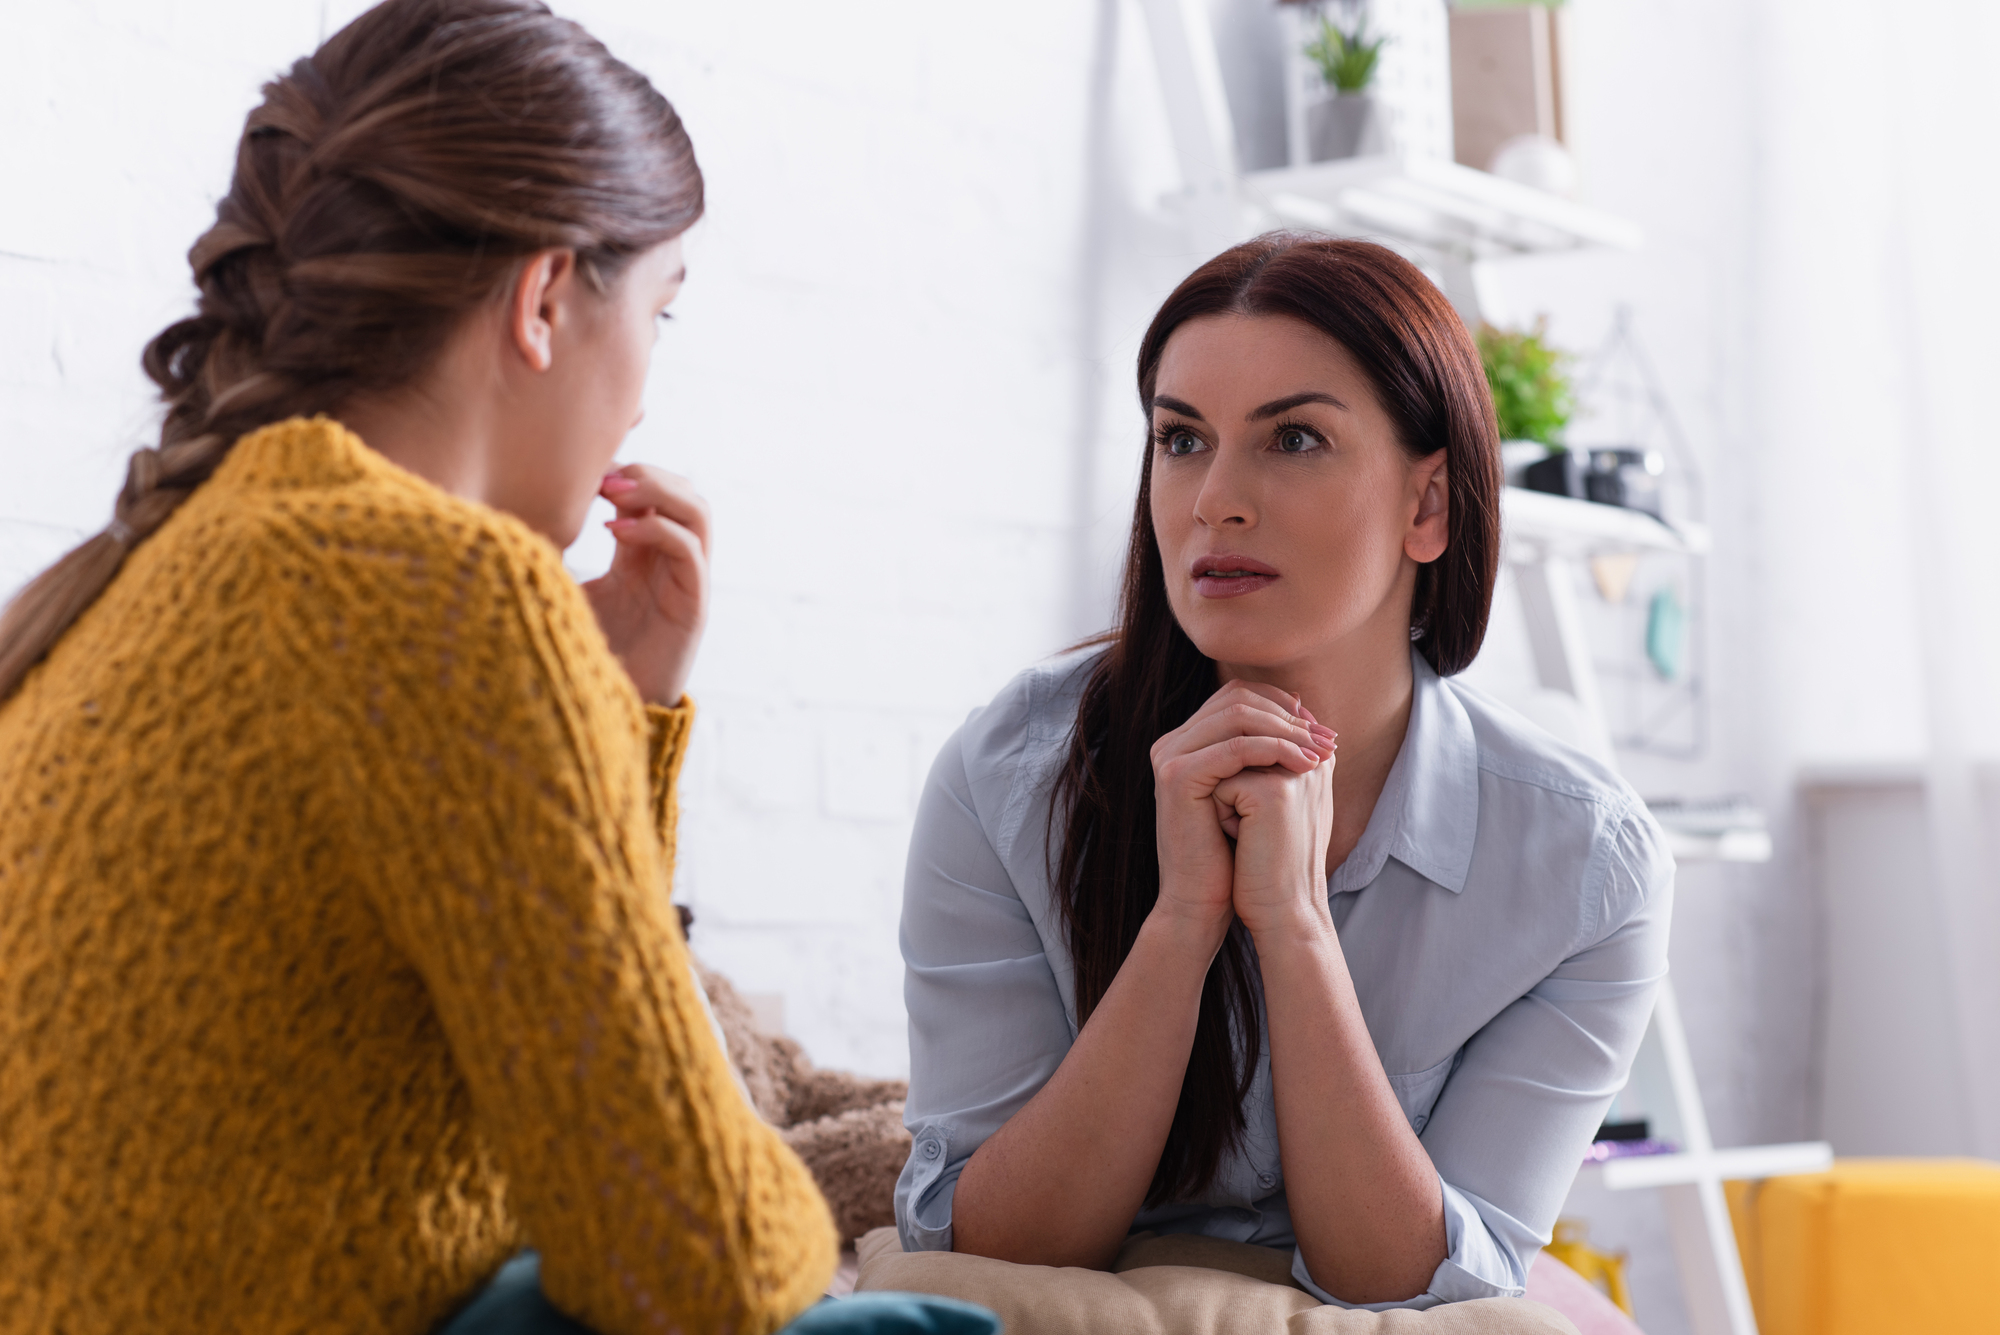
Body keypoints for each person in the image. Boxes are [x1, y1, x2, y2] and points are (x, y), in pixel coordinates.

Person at [0, 4, 994, 1334]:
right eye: (662, 308)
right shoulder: (447, 589)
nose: (642, 389)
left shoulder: (143, 574)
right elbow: (695, 1254)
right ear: (541, 299)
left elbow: (563, 1065)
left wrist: (619, 707)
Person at [894, 234, 1673, 1311]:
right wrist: (1180, 927)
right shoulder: (1006, 777)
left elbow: (1410, 1279)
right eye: (1179, 439)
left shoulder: (1584, 866)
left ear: (1428, 506)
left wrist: (1293, 926)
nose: (1214, 499)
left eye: (1293, 437)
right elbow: (988, 1246)